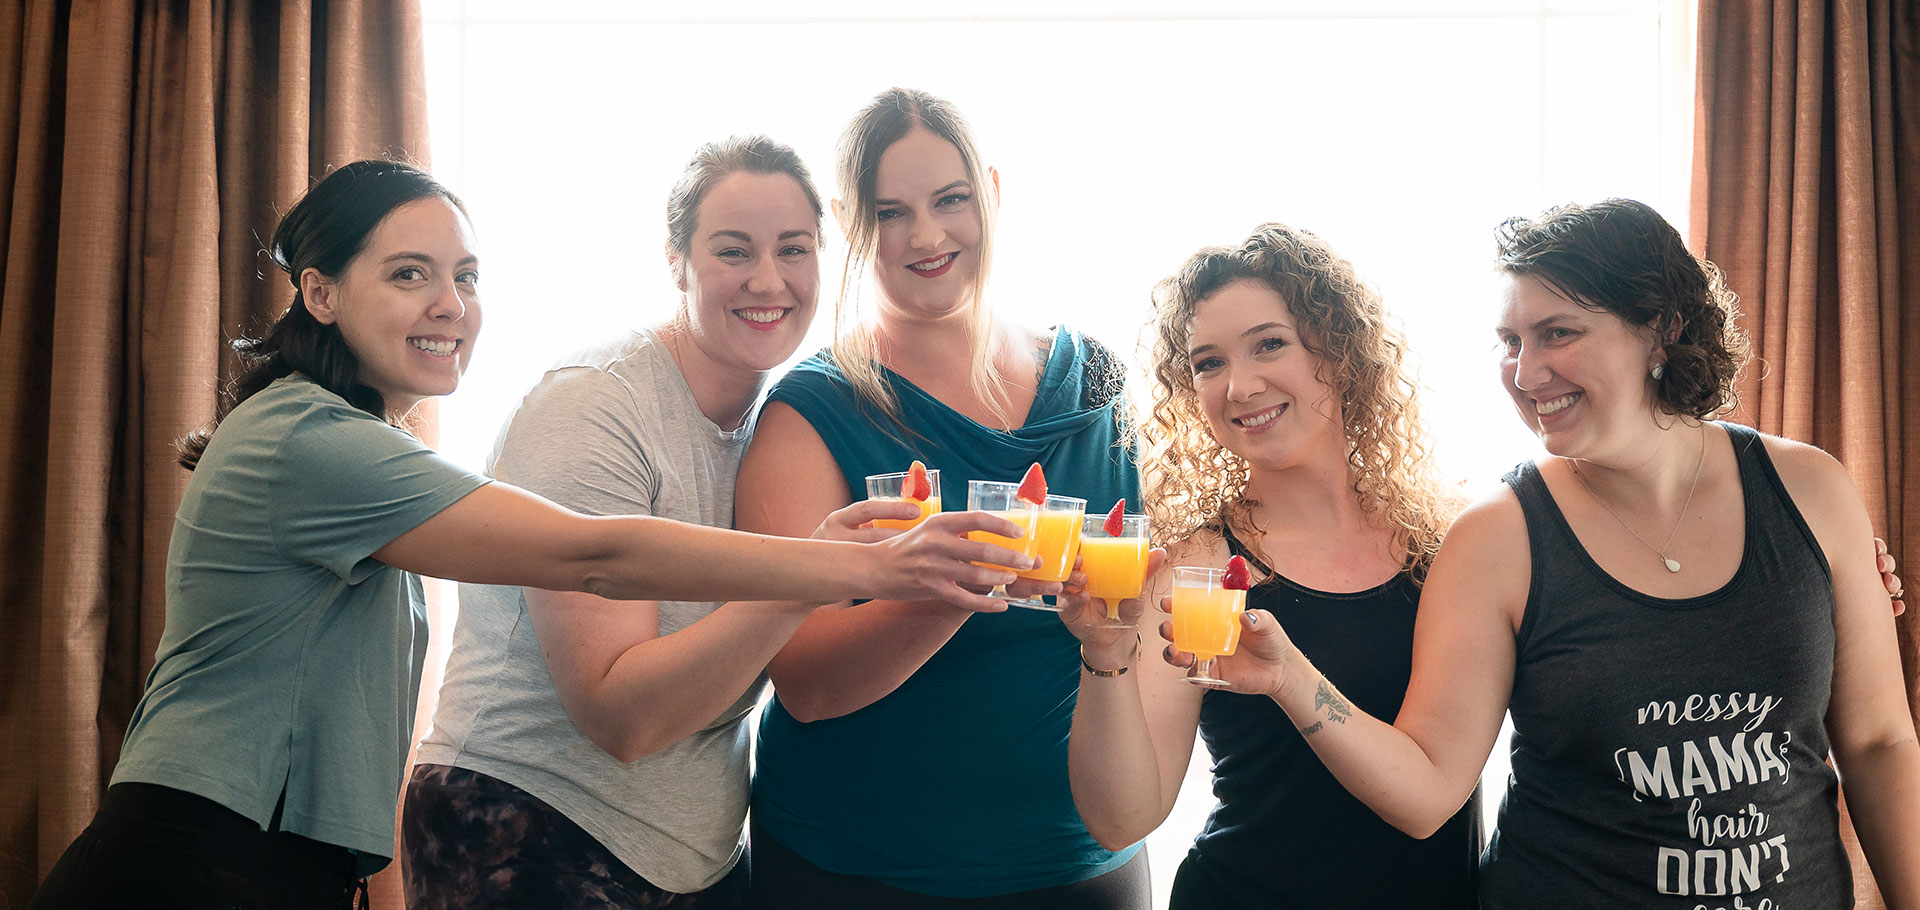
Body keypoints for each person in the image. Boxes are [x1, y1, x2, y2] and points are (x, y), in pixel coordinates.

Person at [27, 159, 1036, 910]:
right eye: (409, 275)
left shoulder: (359, 452)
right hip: (187, 863)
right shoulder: (307, 439)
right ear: (320, 292)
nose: (451, 306)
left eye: (465, 276)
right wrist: (849, 563)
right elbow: (591, 553)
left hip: (281, 867)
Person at [1174, 199, 1920, 906]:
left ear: (1661, 328)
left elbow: (1881, 741)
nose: (1527, 375)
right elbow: (1429, 788)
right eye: (1510, 343)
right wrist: (1287, 676)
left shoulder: (1811, 491)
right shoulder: (1496, 538)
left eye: (1558, 333)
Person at [733, 88, 1148, 908]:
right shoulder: (809, 414)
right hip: (854, 870)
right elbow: (808, 687)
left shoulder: (1098, 383)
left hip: (1078, 862)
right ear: (854, 225)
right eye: (892, 212)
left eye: (951, 200)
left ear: (991, 193)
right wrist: (960, 585)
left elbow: (1137, 605)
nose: (927, 235)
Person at [400, 135, 840, 910]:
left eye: (793, 249)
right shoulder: (596, 407)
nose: (767, 279)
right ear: (676, 260)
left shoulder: (787, 427)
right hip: (527, 832)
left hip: (695, 859)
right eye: (733, 251)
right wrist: (816, 572)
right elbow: (620, 716)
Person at [1057, 224, 1481, 908]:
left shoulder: (1447, 543)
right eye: (1208, 363)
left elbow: (1441, 793)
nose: (1240, 385)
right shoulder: (1200, 561)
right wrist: (1103, 656)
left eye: (1269, 345)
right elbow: (1120, 821)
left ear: (1339, 351)